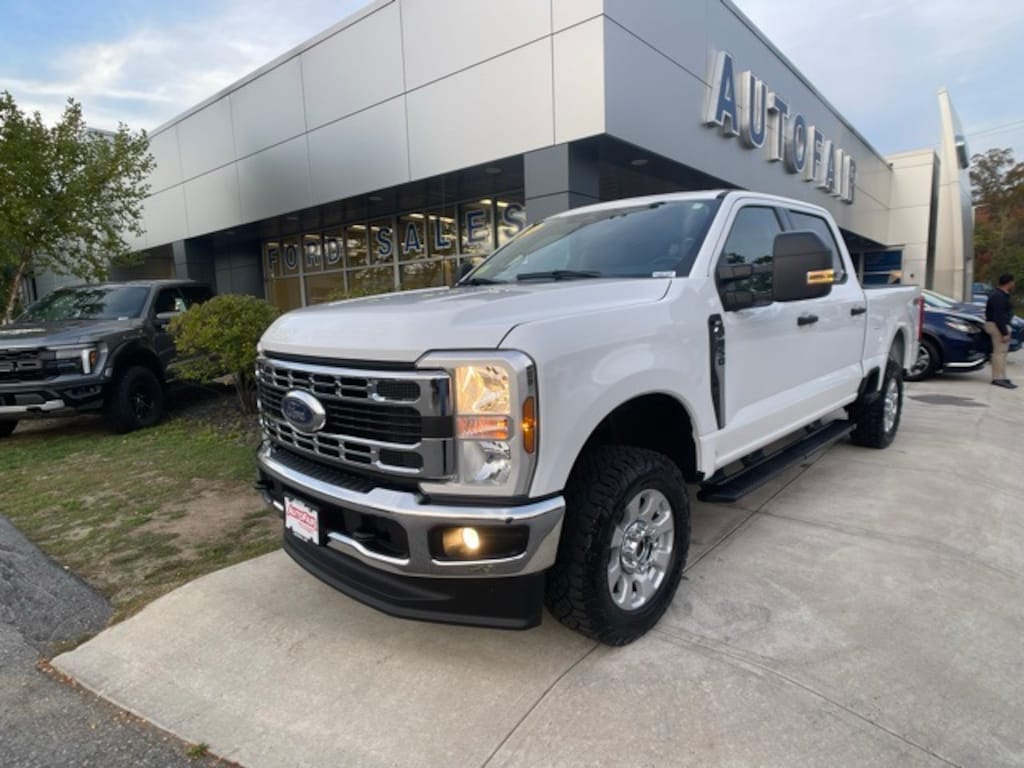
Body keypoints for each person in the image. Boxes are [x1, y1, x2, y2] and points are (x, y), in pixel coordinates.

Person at [985, 273, 1017, 389]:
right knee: (999, 353)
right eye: (1013, 282)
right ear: (1008, 283)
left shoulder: (1001, 295)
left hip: (999, 324)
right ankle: (997, 378)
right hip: (997, 325)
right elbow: (998, 316)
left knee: (1003, 353)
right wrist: (1004, 332)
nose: (1014, 284)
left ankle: (1002, 376)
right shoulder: (998, 296)